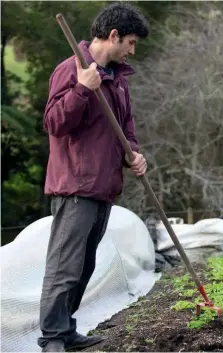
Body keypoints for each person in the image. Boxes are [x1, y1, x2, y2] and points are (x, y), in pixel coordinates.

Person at [38, 2, 149, 352]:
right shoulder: (71, 70)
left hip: (104, 187)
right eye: (130, 43)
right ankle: (52, 338)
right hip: (75, 186)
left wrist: (133, 153)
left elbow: (125, 125)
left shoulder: (117, 79)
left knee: (84, 266)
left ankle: (66, 329)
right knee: (64, 267)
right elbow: (54, 123)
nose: (132, 51)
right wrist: (82, 89)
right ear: (113, 35)